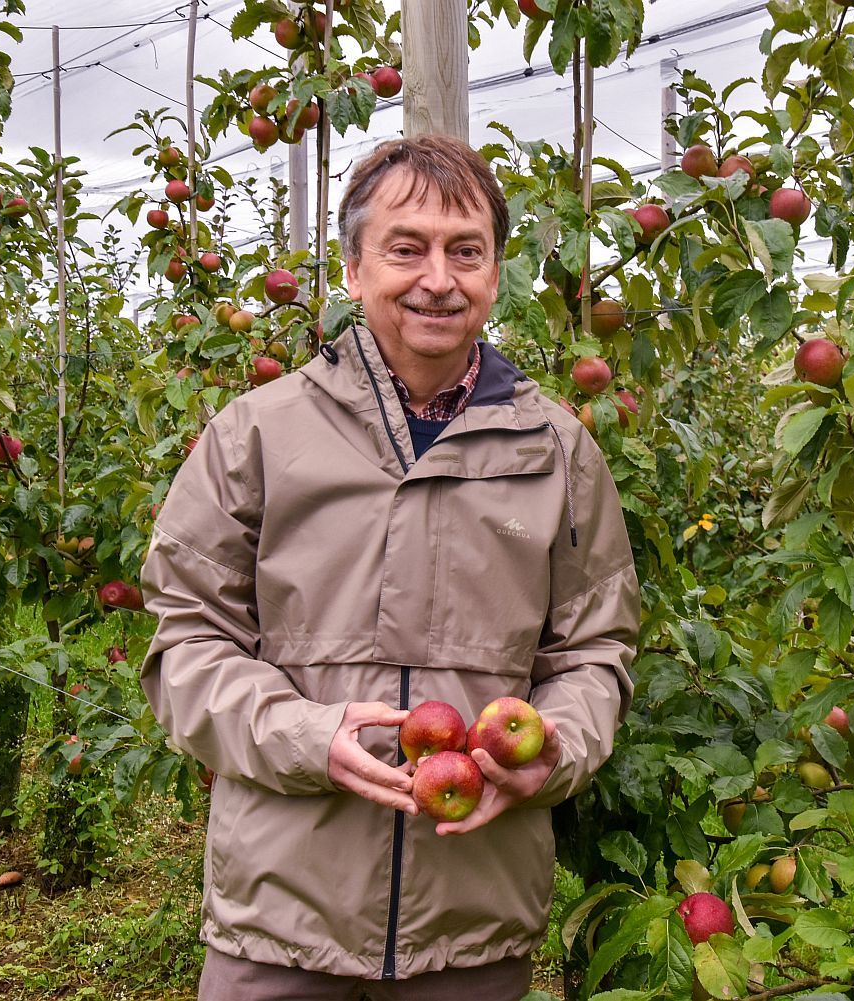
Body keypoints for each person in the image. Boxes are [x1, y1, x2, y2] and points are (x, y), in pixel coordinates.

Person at [139, 134, 640, 1001]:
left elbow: (596, 651)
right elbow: (184, 643)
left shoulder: (556, 448)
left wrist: (554, 750)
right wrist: (304, 735)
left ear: (495, 270)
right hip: (280, 919)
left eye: (466, 251)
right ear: (353, 266)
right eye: (406, 248)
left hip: (471, 922)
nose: (438, 278)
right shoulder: (256, 435)